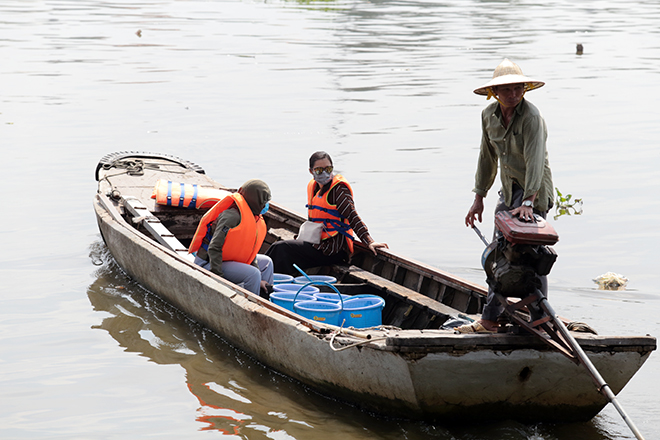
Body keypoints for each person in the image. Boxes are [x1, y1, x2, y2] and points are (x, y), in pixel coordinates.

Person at [457, 58, 554, 333]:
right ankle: (490, 317)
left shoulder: (532, 117)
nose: (513, 95)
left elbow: (535, 161)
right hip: (509, 190)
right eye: (507, 90)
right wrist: (479, 197)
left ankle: (541, 319)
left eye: (518, 89)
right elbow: (486, 158)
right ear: (494, 93)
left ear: (524, 90)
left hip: (533, 191)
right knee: (499, 255)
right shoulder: (489, 116)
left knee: (532, 256)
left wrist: (528, 202)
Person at [266, 151, 388, 275]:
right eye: (319, 170)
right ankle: (265, 279)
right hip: (316, 244)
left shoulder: (338, 189)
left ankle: (270, 285)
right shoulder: (314, 187)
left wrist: (369, 241)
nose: (324, 173)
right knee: (278, 249)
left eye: (328, 169)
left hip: (333, 250)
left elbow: (352, 216)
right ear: (311, 171)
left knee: (282, 248)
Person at [189, 179, 274, 297]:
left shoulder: (253, 217)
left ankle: (265, 297)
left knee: (267, 263)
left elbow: (250, 251)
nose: (265, 205)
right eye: (263, 201)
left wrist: (259, 278)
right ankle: (252, 306)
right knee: (253, 274)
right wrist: (218, 278)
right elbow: (214, 248)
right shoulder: (231, 217)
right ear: (255, 200)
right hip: (209, 263)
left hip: (230, 260)